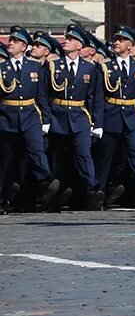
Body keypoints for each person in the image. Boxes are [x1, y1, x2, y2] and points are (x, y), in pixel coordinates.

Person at [93, 25, 135, 208]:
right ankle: (99, 191)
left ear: (130, 45)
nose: (117, 43)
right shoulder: (105, 66)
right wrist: (98, 122)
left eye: (121, 40)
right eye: (116, 39)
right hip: (110, 114)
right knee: (106, 157)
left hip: (131, 115)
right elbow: (98, 96)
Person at [44, 24, 105, 211]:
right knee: (59, 158)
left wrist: (97, 123)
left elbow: (95, 97)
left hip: (80, 117)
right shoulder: (53, 65)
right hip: (58, 116)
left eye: (71, 40)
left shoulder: (90, 68)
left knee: (83, 154)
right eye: (66, 39)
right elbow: (44, 94)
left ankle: (92, 190)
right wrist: (46, 119)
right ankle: (56, 195)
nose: (66, 42)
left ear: (80, 46)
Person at [0, 26, 58, 212]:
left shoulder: (35, 67)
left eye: (15, 41)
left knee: (36, 150)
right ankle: (3, 198)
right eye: (10, 40)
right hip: (6, 117)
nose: (10, 43)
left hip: (31, 115)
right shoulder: (2, 68)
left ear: (24, 46)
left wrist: (46, 120)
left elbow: (41, 95)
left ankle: (46, 183)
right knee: (5, 160)